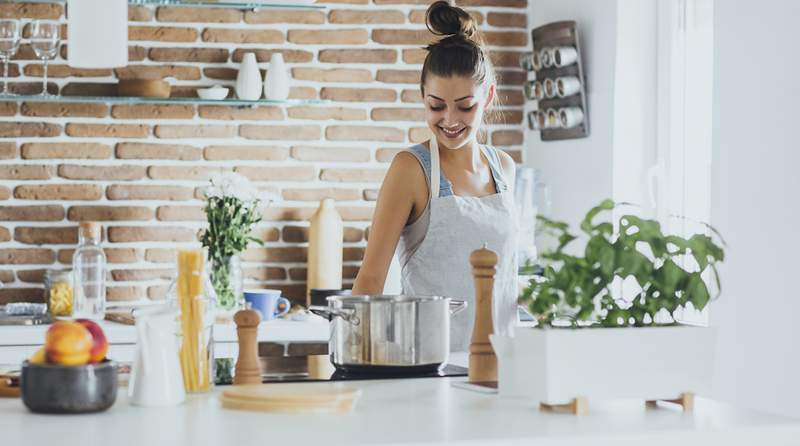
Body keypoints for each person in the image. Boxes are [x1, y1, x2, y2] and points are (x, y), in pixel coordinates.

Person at [351, 1, 518, 352]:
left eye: (465, 105)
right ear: (422, 97)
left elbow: (506, 280)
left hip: (504, 359)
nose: (450, 119)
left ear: (487, 97)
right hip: (429, 362)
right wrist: (357, 362)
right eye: (436, 105)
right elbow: (370, 277)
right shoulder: (411, 169)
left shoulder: (503, 168)